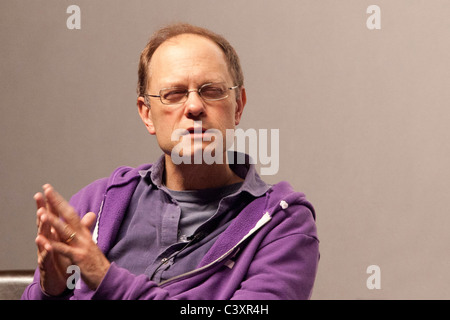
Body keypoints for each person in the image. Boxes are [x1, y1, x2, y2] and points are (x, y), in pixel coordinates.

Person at [22, 23, 319, 300]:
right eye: (174, 94)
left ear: (238, 106)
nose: (193, 106)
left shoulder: (283, 224)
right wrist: (51, 289)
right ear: (147, 113)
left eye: (212, 91)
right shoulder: (96, 202)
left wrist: (105, 278)